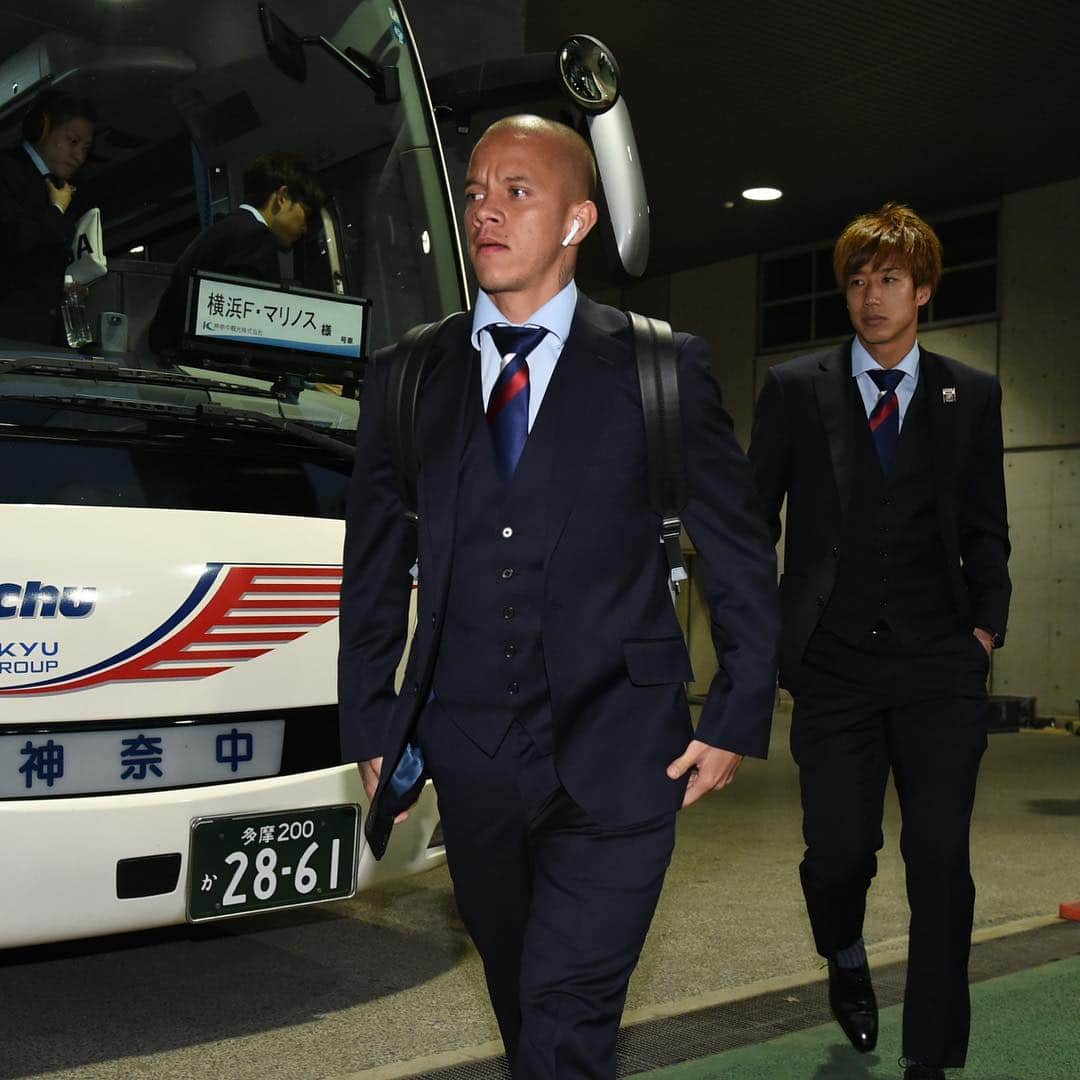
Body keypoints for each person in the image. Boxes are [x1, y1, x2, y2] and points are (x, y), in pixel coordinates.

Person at [338, 115, 779, 1077]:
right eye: (475, 192)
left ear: (579, 218)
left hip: (624, 756)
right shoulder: (409, 376)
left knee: (564, 1014)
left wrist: (739, 709)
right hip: (473, 754)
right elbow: (371, 568)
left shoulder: (663, 368)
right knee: (521, 1000)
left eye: (518, 191)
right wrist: (372, 720)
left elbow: (740, 552)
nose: (485, 210)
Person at [748, 204, 1011, 1080]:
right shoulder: (794, 390)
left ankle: (929, 1060)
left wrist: (984, 629)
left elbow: (986, 528)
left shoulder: (970, 395)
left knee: (940, 862)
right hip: (834, 664)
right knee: (838, 854)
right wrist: (764, 641)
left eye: (889, 280)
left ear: (924, 289)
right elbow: (753, 524)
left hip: (940, 663)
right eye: (857, 281)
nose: (870, 297)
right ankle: (845, 951)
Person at [148, 152, 323, 355]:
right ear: (282, 197)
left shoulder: (223, 230)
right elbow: (247, 331)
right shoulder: (256, 236)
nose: (305, 228)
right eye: (306, 213)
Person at [0, 89, 96, 345]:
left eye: (86, 148)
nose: (79, 157)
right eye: (73, 141)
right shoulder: (7, 170)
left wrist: (62, 287)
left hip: (44, 335)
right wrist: (56, 211)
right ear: (41, 128)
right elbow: (15, 240)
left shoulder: (69, 190)